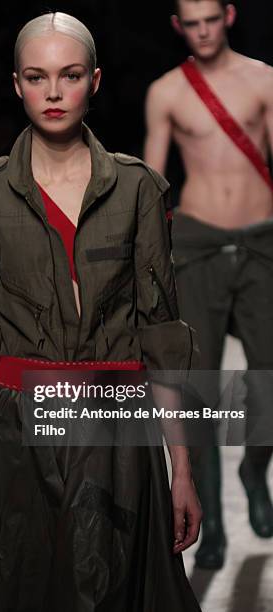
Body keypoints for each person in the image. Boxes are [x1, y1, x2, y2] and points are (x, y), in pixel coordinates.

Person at [0, 12, 202, 611]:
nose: (53, 93)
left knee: (106, 594)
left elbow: (158, 338)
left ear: (96, 81)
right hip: (11, 437)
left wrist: (180, 469)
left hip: (114, 433)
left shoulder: (139, 191)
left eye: (70, 75)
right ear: (16, 84)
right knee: (10, 589)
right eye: (37, 76)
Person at [144, 0, 273, 570]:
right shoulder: (167, 92)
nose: (201, 32)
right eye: (189, 23)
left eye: (209, 20)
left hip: (261, 241)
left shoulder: (265, 80)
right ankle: (211, 523)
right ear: (178, 26)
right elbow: (150, 184)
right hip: (195, 245)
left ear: (229, 15)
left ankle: (254, 467)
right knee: (198, 389)